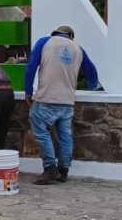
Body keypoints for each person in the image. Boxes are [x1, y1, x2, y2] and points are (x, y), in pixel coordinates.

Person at [24, 25, 98, 185]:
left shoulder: (44, 42)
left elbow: (30, 67)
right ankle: (63, 170)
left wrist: (28, 90)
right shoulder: (78, 48)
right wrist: (94, 86)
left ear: (56, 34)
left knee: (40, 130)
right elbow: (92, 71)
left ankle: (50, 168)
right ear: (71, 36)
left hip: (47, 98)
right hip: (67, 102)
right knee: (65, 135)